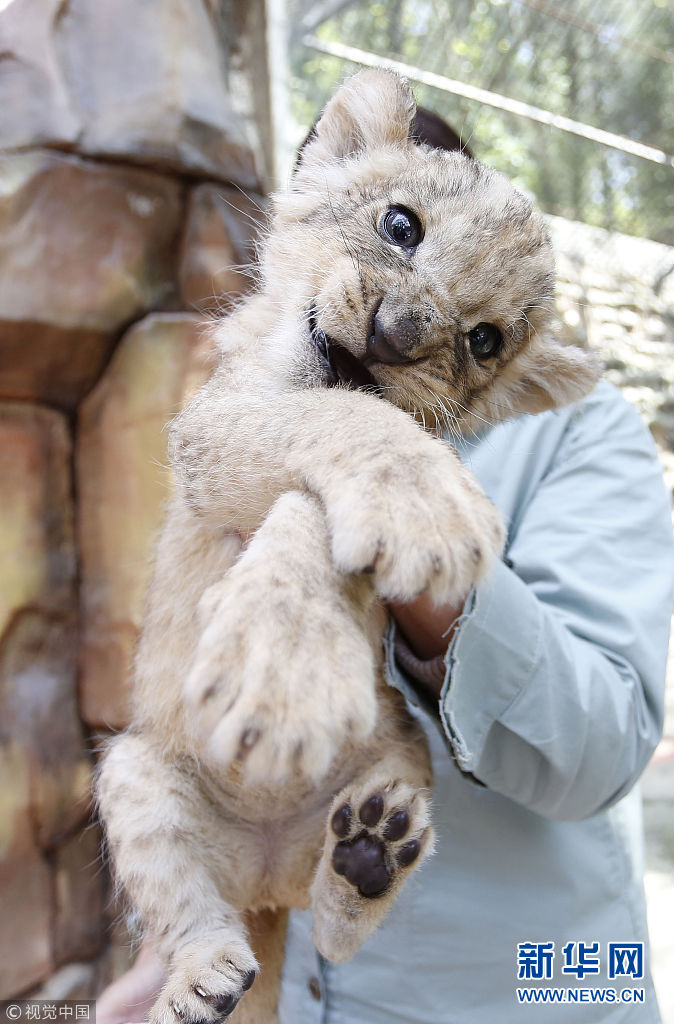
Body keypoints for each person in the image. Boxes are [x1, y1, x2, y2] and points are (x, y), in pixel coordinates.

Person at [97, 110, 674, 1024]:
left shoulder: (577, 424)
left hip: (523, 990)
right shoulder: (259, 365)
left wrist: (401, 535)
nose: (401, 322)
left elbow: (605, 748)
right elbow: (195, 708)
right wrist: (170, 940)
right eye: (395, 230)